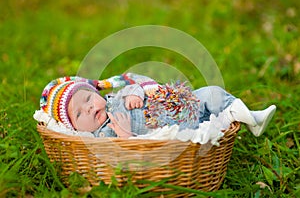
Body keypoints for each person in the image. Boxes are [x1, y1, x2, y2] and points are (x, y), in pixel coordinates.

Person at [37, 72, 276, 140]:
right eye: (79, 113)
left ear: (97, 93)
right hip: (183, 130)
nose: (89, 108)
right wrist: (124, 135)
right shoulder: (100, 136)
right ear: (75, 128)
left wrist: (136, 92)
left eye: (88, 99)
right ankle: (241, 116)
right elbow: (124, 157)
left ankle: (249, 115)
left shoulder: (116, 99)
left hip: (182, 108)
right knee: (212, 121)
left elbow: (135, 81)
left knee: (211, 93)